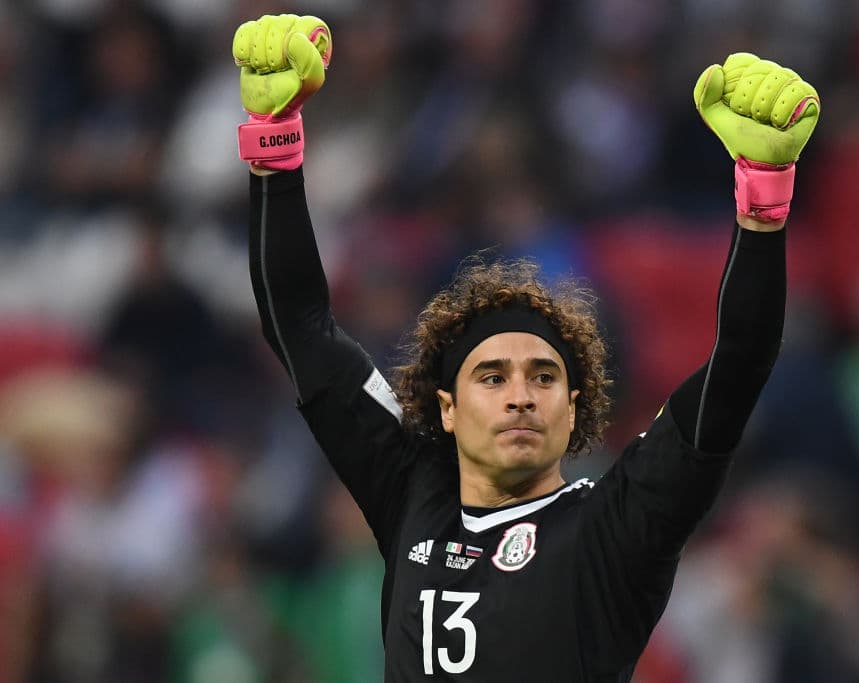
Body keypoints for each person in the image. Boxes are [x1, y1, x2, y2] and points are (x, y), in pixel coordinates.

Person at [234, 14, 819, 682]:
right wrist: (273, 149)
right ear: (446, 409)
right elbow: (301, 327)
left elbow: (741, 359)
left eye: (544, 377)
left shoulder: (616, 525)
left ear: (573, 411)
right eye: (492, 376)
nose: (520, 394)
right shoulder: (411, 490)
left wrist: (763, 202)